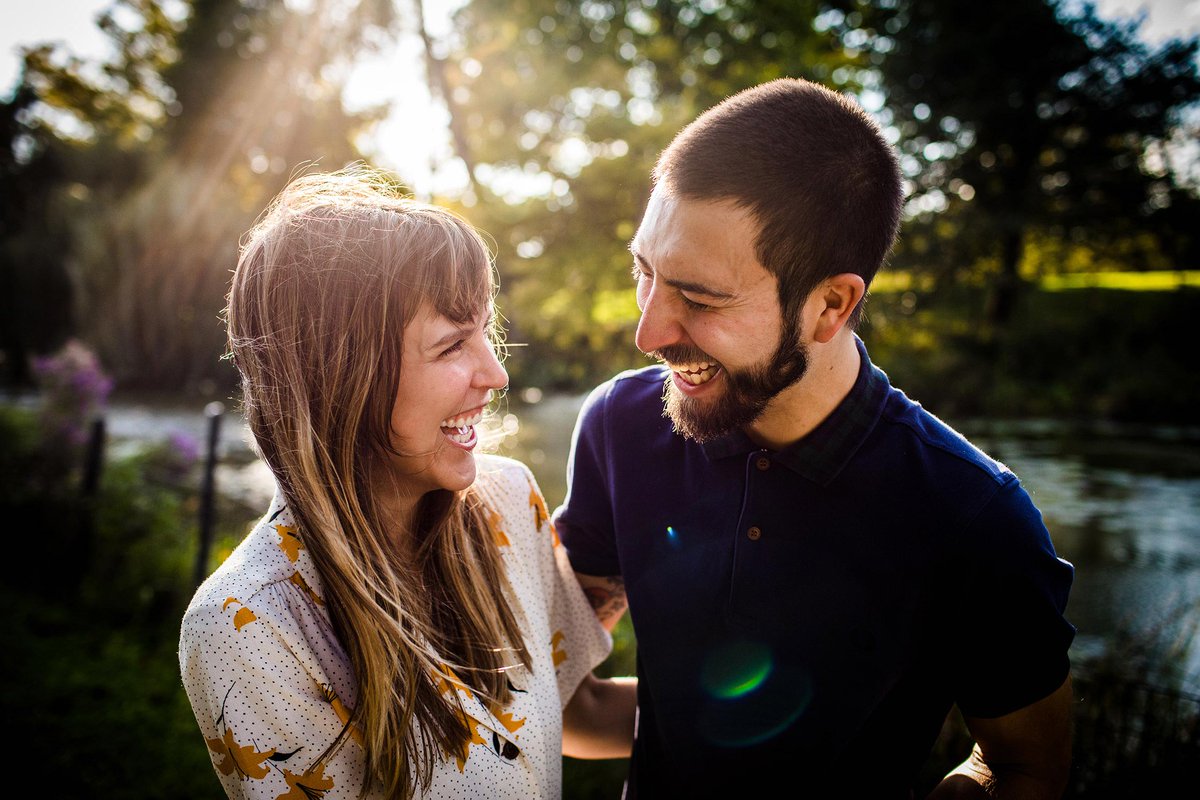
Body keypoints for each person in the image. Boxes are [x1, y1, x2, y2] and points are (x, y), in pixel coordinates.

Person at [553, 78, 1076, 799]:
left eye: (700, 298)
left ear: (831, 304)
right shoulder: (619, 425)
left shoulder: (974, 516)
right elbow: (559, 691)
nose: (648, 332)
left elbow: (1026, 765)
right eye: (645, 273)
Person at [179, 168, 636, 800]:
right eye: (452, 345)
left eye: (485, 330)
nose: (495, 373)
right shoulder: (249, 625)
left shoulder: (506, 498)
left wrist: (792, 720)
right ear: (342, 376)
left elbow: (575, 713)